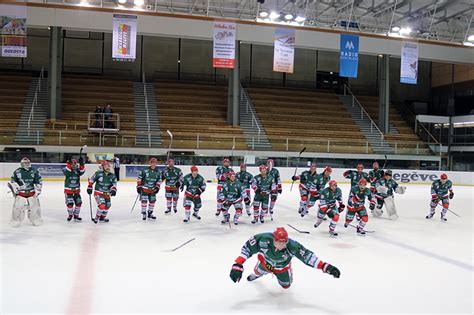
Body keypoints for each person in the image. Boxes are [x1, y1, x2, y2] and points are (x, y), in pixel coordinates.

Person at [229, 227, 340, 289]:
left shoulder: (293, 246)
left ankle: (289, 270)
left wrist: (325, 266)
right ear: (274, 239)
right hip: (265, 262)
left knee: (286, 286)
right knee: (257, 271)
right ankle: (258, 275)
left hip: (282, 268)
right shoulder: (263, 239)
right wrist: (238, 264)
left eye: (284, 242)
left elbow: (308, 257)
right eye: (279, 242)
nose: (282, 245)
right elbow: (247, 248)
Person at [8, 157, 43, 227]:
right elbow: (12, 181)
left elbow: (38, 181)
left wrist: (38, 190)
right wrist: (16, 187)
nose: (27, 164)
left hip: (32, 193)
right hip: (21, 193)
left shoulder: (34, 171)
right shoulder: (17, 171)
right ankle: (15, 221)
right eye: (25, 163)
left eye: (28, 163)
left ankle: (36, 220)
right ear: (21, 164)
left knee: (35, 207)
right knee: (17, 208)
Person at [62, 157, 86, 222]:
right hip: (68, 191)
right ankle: (70, 215)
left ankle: (76, 215)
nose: (74, 165)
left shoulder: (77, 170)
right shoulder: (65, 169)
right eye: (72, 164)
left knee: (79, 203)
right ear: (69, 164)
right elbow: (68, 172)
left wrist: (82, 164)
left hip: (76, 191)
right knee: (70, 204)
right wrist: (69, 164)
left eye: (75, 164)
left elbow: (82, 171)